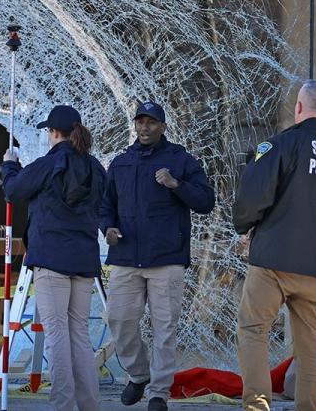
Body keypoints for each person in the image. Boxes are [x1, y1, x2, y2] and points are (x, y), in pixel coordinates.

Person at [233, 80, 316, 411]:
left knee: (253, 332)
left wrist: (244, 227)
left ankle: (258, 406)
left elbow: (251, 196)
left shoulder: (280, 146)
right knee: (310, 348)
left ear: (299, 108)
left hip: (272, 263)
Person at [100, 101, 215, 411]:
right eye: (140, 122)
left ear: (163, 126)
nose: (144, 127)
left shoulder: (180, 160)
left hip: (167, 260)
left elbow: (206, 201)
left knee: (165, 330)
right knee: (118, 320)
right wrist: (107, 228)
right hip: (125, 257)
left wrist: (177, 184)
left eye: (151, 122)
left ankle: (158, 394)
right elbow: (105, 205)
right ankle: (139, 375)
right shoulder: (121, 162)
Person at [0, 105, 106, 411]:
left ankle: (63, 404)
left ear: (53, 132)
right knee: (79, 334)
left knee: (57, 333)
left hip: (51, 260)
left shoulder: (49, 164)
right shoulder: (95, 167)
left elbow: (14, 190)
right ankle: (89, 405)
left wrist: (9, 165)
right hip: (84, 260)